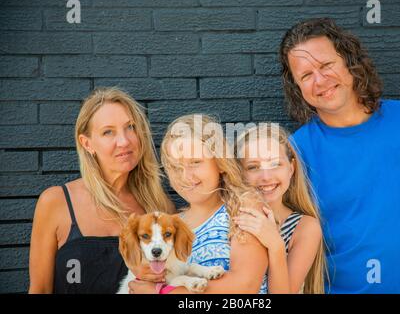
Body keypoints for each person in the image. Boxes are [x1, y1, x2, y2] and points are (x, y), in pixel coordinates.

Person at [281, 17, 400, 293]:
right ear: (297, 87)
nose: (320, 80)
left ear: (349, 60)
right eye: (306, 75)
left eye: (326, 65)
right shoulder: (296, 154)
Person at [29, 87, 174, 293]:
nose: (124, 141)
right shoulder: (56, 202)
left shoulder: (158, 206)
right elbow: (40, 289)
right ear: (87, 143)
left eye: (130, 127)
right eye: (108, 132)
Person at [128, 114, 269, 294]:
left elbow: (246, 285)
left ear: (219, 163)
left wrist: (162, 292)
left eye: (195, 162)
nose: (186, 176)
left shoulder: (243, 207)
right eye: (176, 167)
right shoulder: (170, 224)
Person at [234, 123, 327, 293]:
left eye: (276, 164)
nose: (266, 177)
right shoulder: (231, 219)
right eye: (253, 167)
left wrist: (275, 244)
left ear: (291, 168)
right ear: (239, 172)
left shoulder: (304, 227)